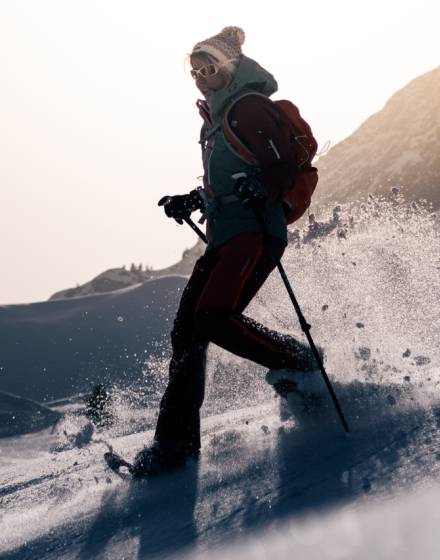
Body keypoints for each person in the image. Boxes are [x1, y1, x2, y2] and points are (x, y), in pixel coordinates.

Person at [134, 26, 320, 477]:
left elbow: (278, 167)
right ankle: (175, 445)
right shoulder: (213, 120)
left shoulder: (249, 108)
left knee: (212, 317)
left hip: (256, 231)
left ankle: (299, 361)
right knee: (187, 332)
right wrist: (194, 200)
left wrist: (266, 186)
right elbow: (232, 175)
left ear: (231, 68)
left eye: (209, 68)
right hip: (225, 235)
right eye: (194, 70)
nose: (200, 76)